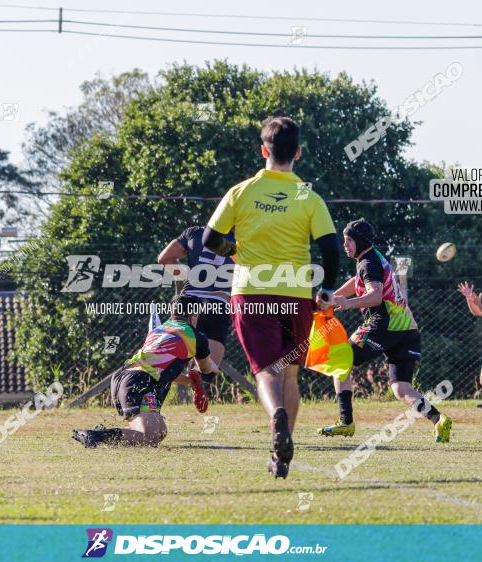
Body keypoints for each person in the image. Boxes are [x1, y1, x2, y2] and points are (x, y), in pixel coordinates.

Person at [203, 116, 341, 479]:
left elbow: (209, 239)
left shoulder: (242, 191)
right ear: (297, 153)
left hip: (251, 294)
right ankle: (282, 457)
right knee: (290, 374)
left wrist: (234, 250)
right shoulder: (308, 197)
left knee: (266, 372)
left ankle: (275, 416)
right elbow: (331, 249)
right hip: (296, 297)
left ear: (264, 150)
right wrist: (325, 291)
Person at [319, 219, 453, 442]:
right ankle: (439, 420)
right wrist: (332, 297)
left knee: (339, 361)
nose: (345, 245)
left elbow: (376, 296)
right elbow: (357, 281)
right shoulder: (372, 259)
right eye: (344, 241)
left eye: (349, 240)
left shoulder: (368, 263)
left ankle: (345, 422)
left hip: (384, 325)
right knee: (401, 388)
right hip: (408, 329)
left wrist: (347, 303)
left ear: (360, 241)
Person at [72, 295, 218, 448]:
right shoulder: (194, 336)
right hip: (140, 382)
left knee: (159, 432)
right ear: (193, 316)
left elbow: (160, 370)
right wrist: (213, 369)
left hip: (125, 378)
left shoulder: (160, 330)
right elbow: (206, 368)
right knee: (150, 437)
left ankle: (106, 434)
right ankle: (95, 436)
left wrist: (190, 381)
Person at [157, 226, 234, 393]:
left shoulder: (195, 232)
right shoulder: (245, 238)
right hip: (218, 304)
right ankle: (194, 377)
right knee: (207, 372)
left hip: (187, 302)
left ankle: (158, 384)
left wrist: (184, 275)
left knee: (167, 361)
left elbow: (164, 259)